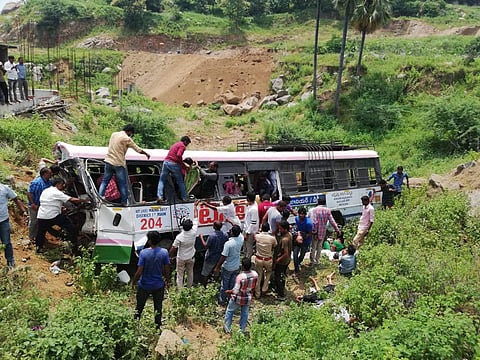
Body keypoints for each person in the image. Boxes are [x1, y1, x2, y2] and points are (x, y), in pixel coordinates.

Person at [99, 125, 150, 206]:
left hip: (108, 161)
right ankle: (124, 202)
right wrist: (146, 153)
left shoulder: (114, 134)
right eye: (131, 133)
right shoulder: (127, 139)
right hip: (118, 163)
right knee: (122, 183)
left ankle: (100, 197)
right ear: (129, 131)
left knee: (105, 181)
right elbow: (138, 149)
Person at [35, 178, 89, 253]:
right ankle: (73, 247)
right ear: (57, 184)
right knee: (71, 228)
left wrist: (60, 207)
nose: (63, 186)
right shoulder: (57, 192)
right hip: (53, 216)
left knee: (41, 232)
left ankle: (38, 248)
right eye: (62, 184)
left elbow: (50, 202)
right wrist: (85, 200)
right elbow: (72, 199)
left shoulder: (46, 191)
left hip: (41, 215)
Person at [132, 230, 170, 329]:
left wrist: (133, 282)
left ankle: (135, 325)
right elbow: (166, 269)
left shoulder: (144, 253)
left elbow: (139, 271)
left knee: (139, 307)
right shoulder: (164, 252)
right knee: (158, 307)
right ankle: (157, 327)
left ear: (149, 241)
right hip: (158, 285)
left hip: (144, 285)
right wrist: (167, 281)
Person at [224, 257, 258, 334]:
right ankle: (242, 330)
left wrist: (228, 291)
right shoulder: (255, 274)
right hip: (248, 298)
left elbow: (235, 291)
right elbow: (254, 286)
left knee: (230, 311)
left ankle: (227, 329)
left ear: (242, 266)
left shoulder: (240, 277)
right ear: (251, 265)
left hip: (238, 298)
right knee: (244, 314)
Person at [214, 224, 244, 306]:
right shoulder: (241, 239)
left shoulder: (228, 244)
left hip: (227, 267)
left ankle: (222, 300)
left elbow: (223, 256)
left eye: (231, 231)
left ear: (233, 233)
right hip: (236, 266)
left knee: (224, 285)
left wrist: (217, 267)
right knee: (233, 283)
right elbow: (239, 230)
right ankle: (231, 299)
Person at [0, 182, 27, 269]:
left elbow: (16, 199)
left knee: (6, 242)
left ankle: (11, 263)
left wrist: (23, 211)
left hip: (3, 220)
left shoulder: (4, 188)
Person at [157, 135, 191, 202]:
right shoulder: (182, 146)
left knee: (162, 180)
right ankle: (184, 197)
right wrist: (184, 165)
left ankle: (160, 196)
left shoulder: (175, 144)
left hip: (166, 162)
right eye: (187, 143)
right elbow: (178, 155)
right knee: (180, 181)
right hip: (173, 164)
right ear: (185, 141)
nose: (187, 145)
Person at [309, 197, 341, 265]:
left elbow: (314, 222)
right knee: (319, 246)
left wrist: (314, 232)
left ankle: (312, 261)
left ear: (318, 202)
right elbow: (332, 221)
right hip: (323, 231)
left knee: (314, 246)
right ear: (324, 203)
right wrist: (337, 230)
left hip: (316, 231)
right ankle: (317, 260)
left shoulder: (314, 210)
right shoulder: (327, 210)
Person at [169, 218, 198, 289]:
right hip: (191, 257)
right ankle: (189, 288)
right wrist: (195, 208)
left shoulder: (180, 237)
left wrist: (170, 257)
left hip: (181, 258)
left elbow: (173, 248)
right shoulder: (194, 232)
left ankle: (180, 292)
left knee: (180, 275)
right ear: (191, 226)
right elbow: (196, 220)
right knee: (190, 273)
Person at [27, 167, 53, 244]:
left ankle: (38, 236)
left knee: (40, 221)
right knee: (34, 221)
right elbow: (29, 193)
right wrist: (32, 204)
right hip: (35, 205)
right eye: (50, 173)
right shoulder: (37, 182)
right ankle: (31, 237)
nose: (51, 174)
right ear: (45, 174)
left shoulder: (49, 183)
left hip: (43, 206)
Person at [199, 221, 228, 286]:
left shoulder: (212, 236)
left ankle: (204, 286)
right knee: (217, 272)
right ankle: (215, 284)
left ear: (214, 227)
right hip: (220, 257)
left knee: (205, 273)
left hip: (211, 257)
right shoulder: (225, 235)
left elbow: (205, 246)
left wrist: (201, 237)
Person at [253, 222, 277, 298]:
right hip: (268, 259)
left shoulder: (257, 236)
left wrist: (258, 231)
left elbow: (255, 235)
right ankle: (264, 288)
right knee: (268, 273)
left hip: (259, 259)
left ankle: (257, 293)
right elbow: (275, 245)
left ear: (261, 228)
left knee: (259, 275)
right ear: (268, 229)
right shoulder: (272, 238)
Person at [274, 220, 292, 301]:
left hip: (282, 261)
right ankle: (281, 289)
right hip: (287, 260)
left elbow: (286, 253)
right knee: (283, 275)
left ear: (285, 229)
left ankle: (281, 294)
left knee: (278, 276)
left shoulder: (284, 239)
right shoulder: (289, 235)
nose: (279, 230)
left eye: (281, 228)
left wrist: (277, 260)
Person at [292, 207, 313, 274]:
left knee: (302, 255)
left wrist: (302, 238)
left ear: (305, 214)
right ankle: (296, 269)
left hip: (306, 239)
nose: (301, 215)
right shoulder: (297, 219)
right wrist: (298, 236)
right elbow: (296, 227)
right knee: (295, 254)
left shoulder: (309, 223)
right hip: (298, 238)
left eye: (303, 214)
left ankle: (298, 263)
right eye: (300, 214)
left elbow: (310, 233)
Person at [243, 191, 259, 259]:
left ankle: (248, 261)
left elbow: (253, 223)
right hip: (246, 229)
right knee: (245, 247)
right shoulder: (252, 204)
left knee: (249, 248)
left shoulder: (254, 209)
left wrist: (247, 233)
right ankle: (245, 258)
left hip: (250, 232)